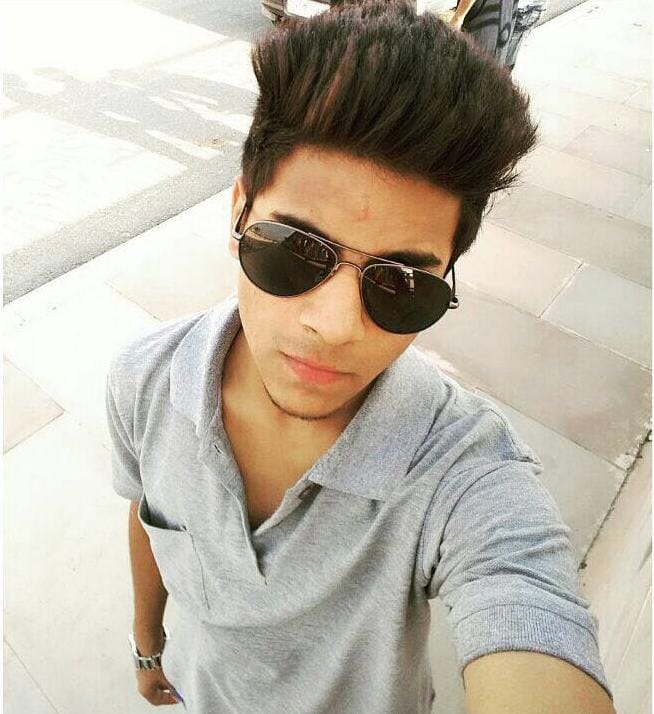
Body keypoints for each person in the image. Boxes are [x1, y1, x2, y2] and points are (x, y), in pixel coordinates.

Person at [106, 2, 616, 712]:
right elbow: (147, 514)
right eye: (295, 250)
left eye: (400, 285)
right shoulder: (146, 380)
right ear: (239, 211)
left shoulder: (463, 472)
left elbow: (525, 597)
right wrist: (147, 641)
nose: (334, 325)